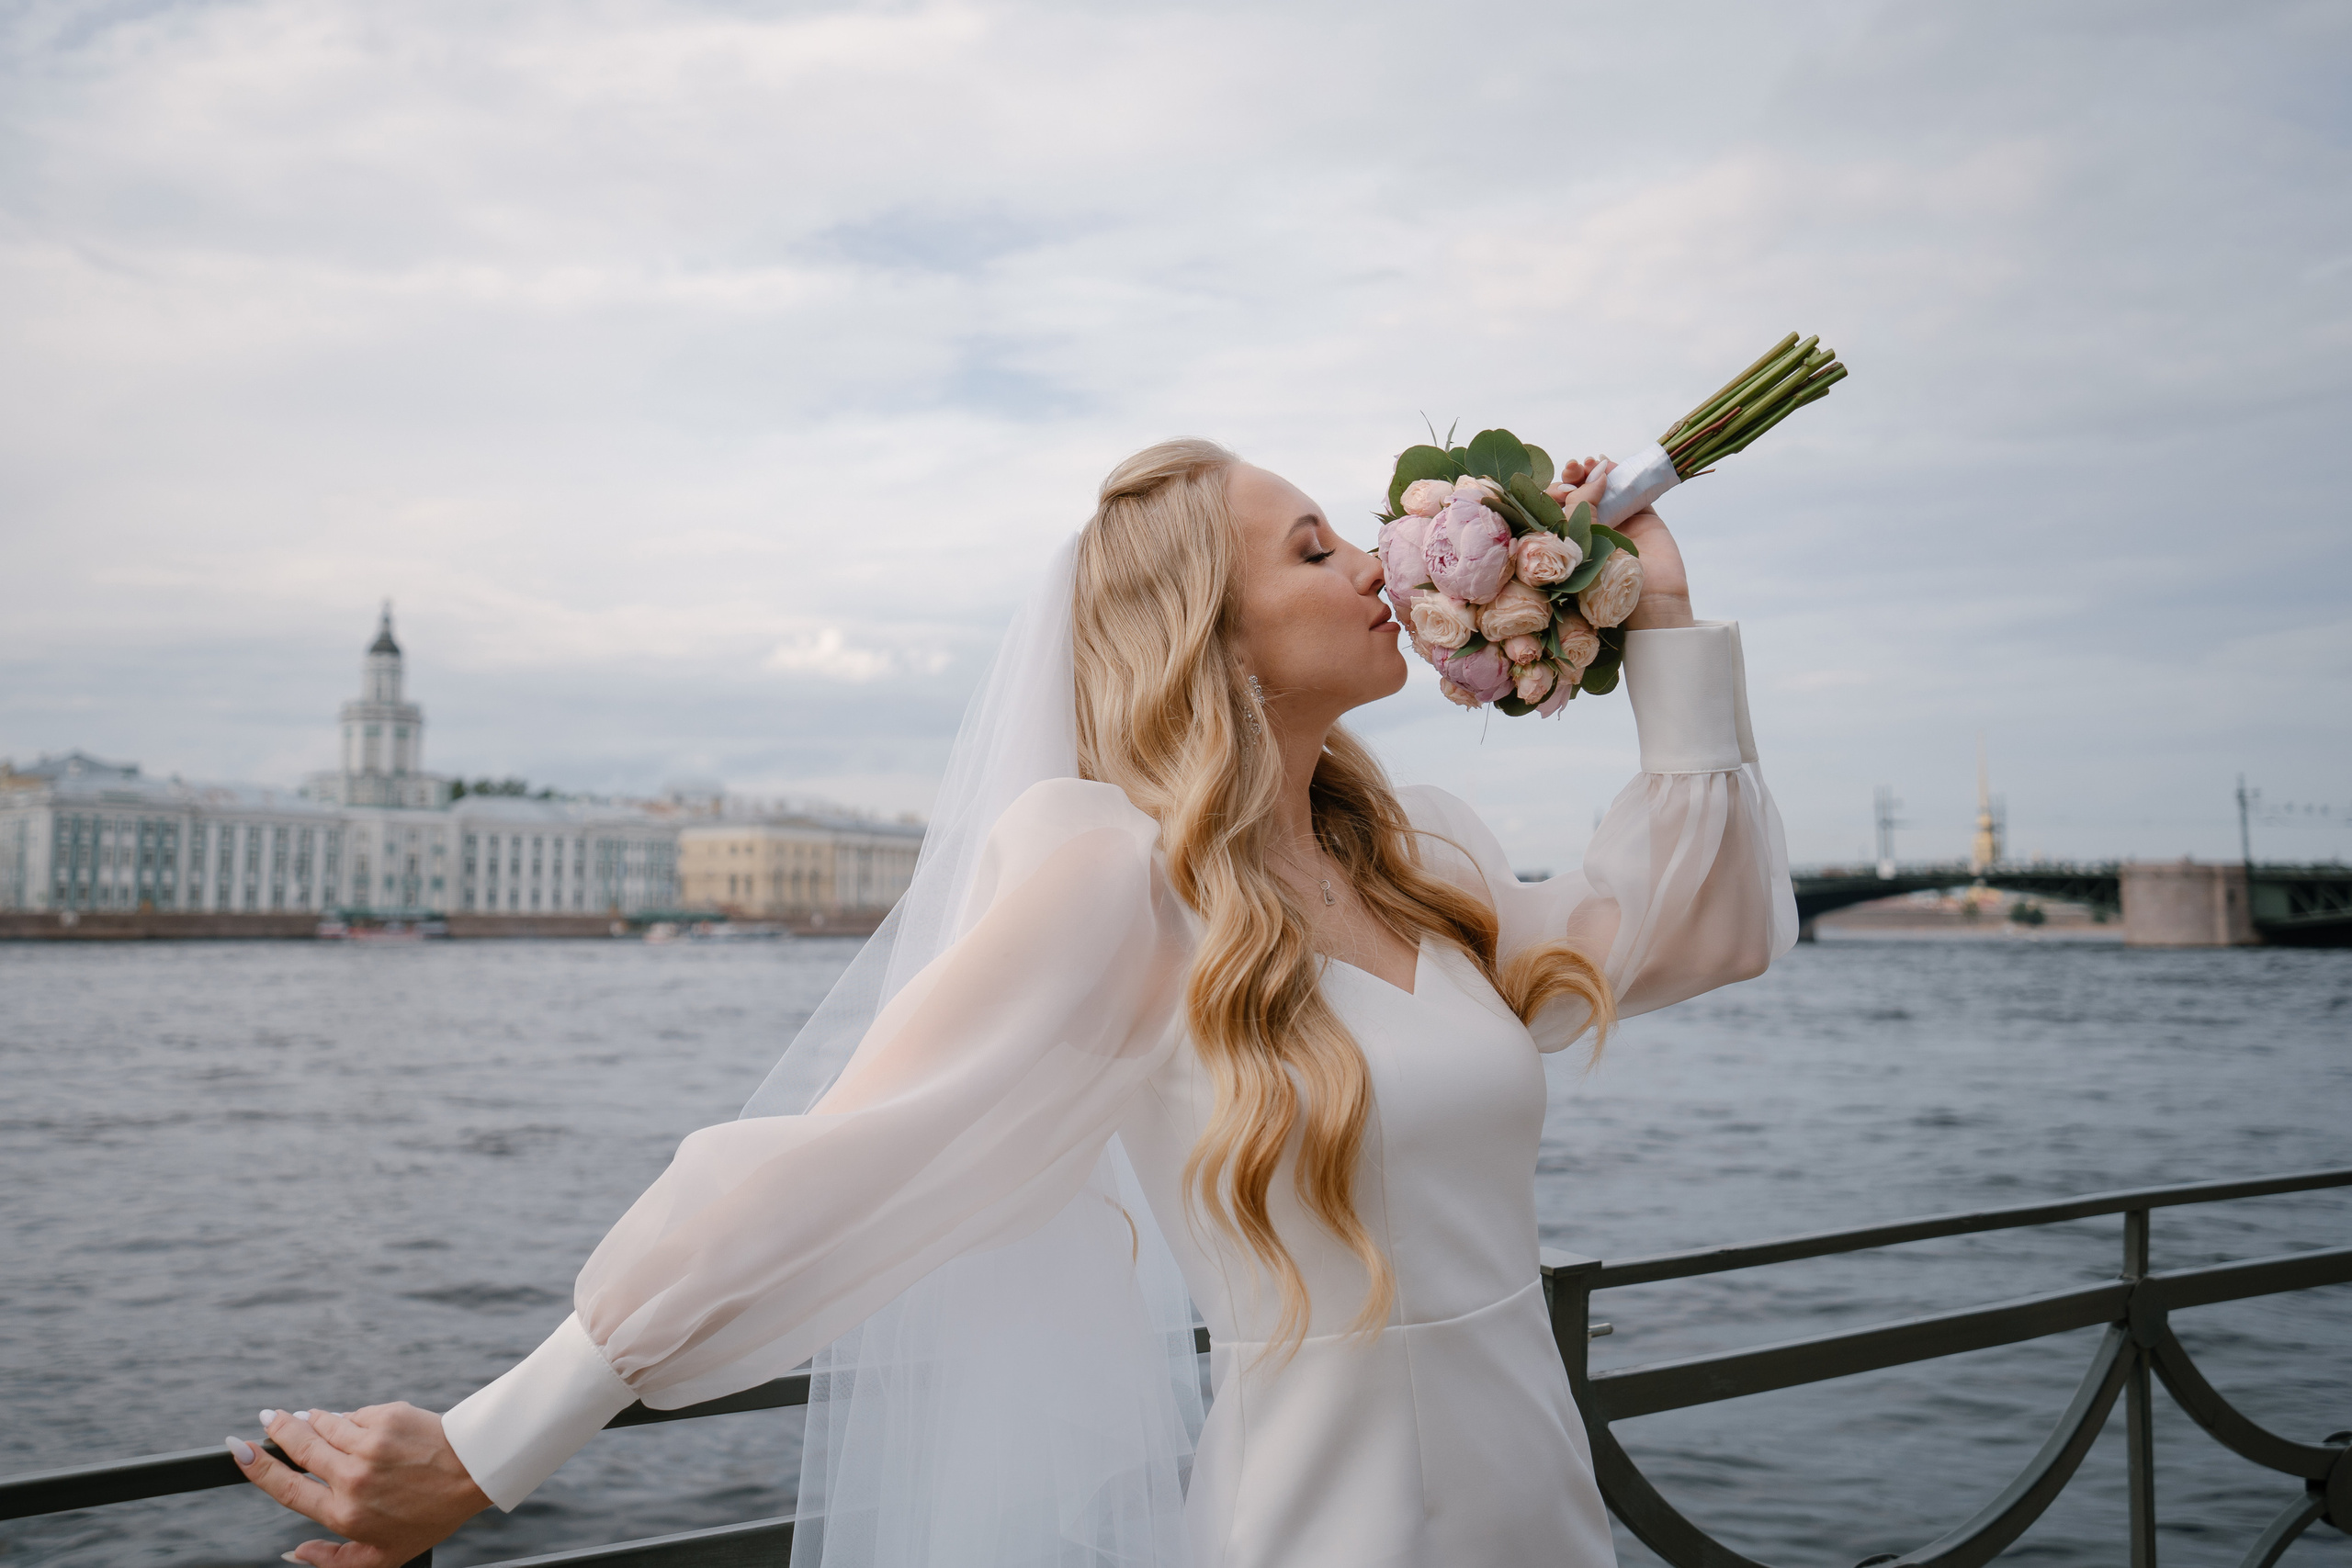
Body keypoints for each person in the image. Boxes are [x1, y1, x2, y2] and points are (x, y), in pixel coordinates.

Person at [229, 440, 1796, 1568]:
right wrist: (492, 1447)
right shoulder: (1117, 885)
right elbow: (844, 1159)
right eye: (1312, 548)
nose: (1378, 561)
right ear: (1212, 637)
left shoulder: (1419, 859)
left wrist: (1659, 622)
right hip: (1331, 1526)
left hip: (1541, 1507)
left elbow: (1689, 929)